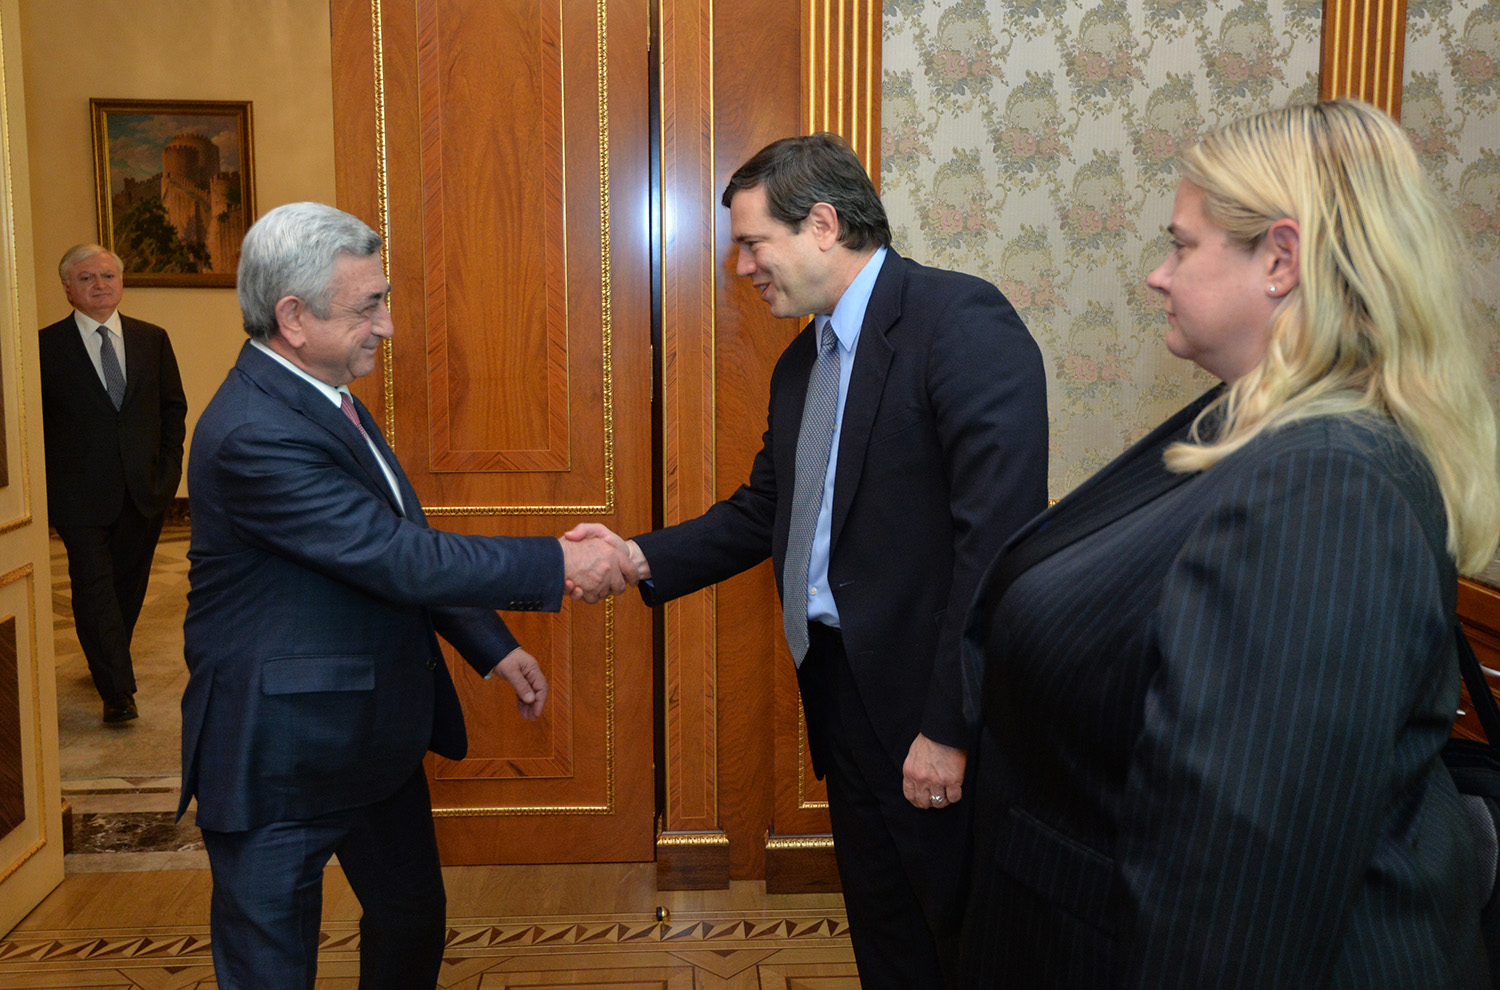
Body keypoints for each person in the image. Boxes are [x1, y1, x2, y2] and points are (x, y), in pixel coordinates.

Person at [959, 99, 1500, 988]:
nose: (1157, 276)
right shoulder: (1262, 427)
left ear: (1281, 259)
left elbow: (1233, 907)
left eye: (1181, 246)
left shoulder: (1325, 487)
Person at [571, 133, 1048, 988]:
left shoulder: (957, 323)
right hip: (838, 689)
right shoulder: (804, 361)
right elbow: (767, 510)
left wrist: (948, 726)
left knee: (967, 936)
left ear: (823, 224)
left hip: (934, 700)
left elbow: (998, 545)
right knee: (885, 927)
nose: (743, 267)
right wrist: (635, 558)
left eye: (753, 243)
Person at [178, 202, 633, 990]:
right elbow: (395, 557)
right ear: (293, 317)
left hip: (369, 736)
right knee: (269, 968)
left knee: (412, 922)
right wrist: (560, 561)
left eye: (383, 300)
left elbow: (390, 540)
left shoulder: (324, 396)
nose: (387, 325)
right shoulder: (255, 430)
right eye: (368, 307)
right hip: (279, 750)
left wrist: (491, 644)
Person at [39, 244, 187, 724]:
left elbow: (173, 409)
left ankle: (107, 657)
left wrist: (168, 472)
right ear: (67, 288)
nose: (99, 285)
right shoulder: (43, 348)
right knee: (93, 586)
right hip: (77, 496)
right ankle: (117, 691)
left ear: (121, 283)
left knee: (127, 587)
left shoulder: (152, 339)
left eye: (107, 276)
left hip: (144, 490)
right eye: (86, 278)